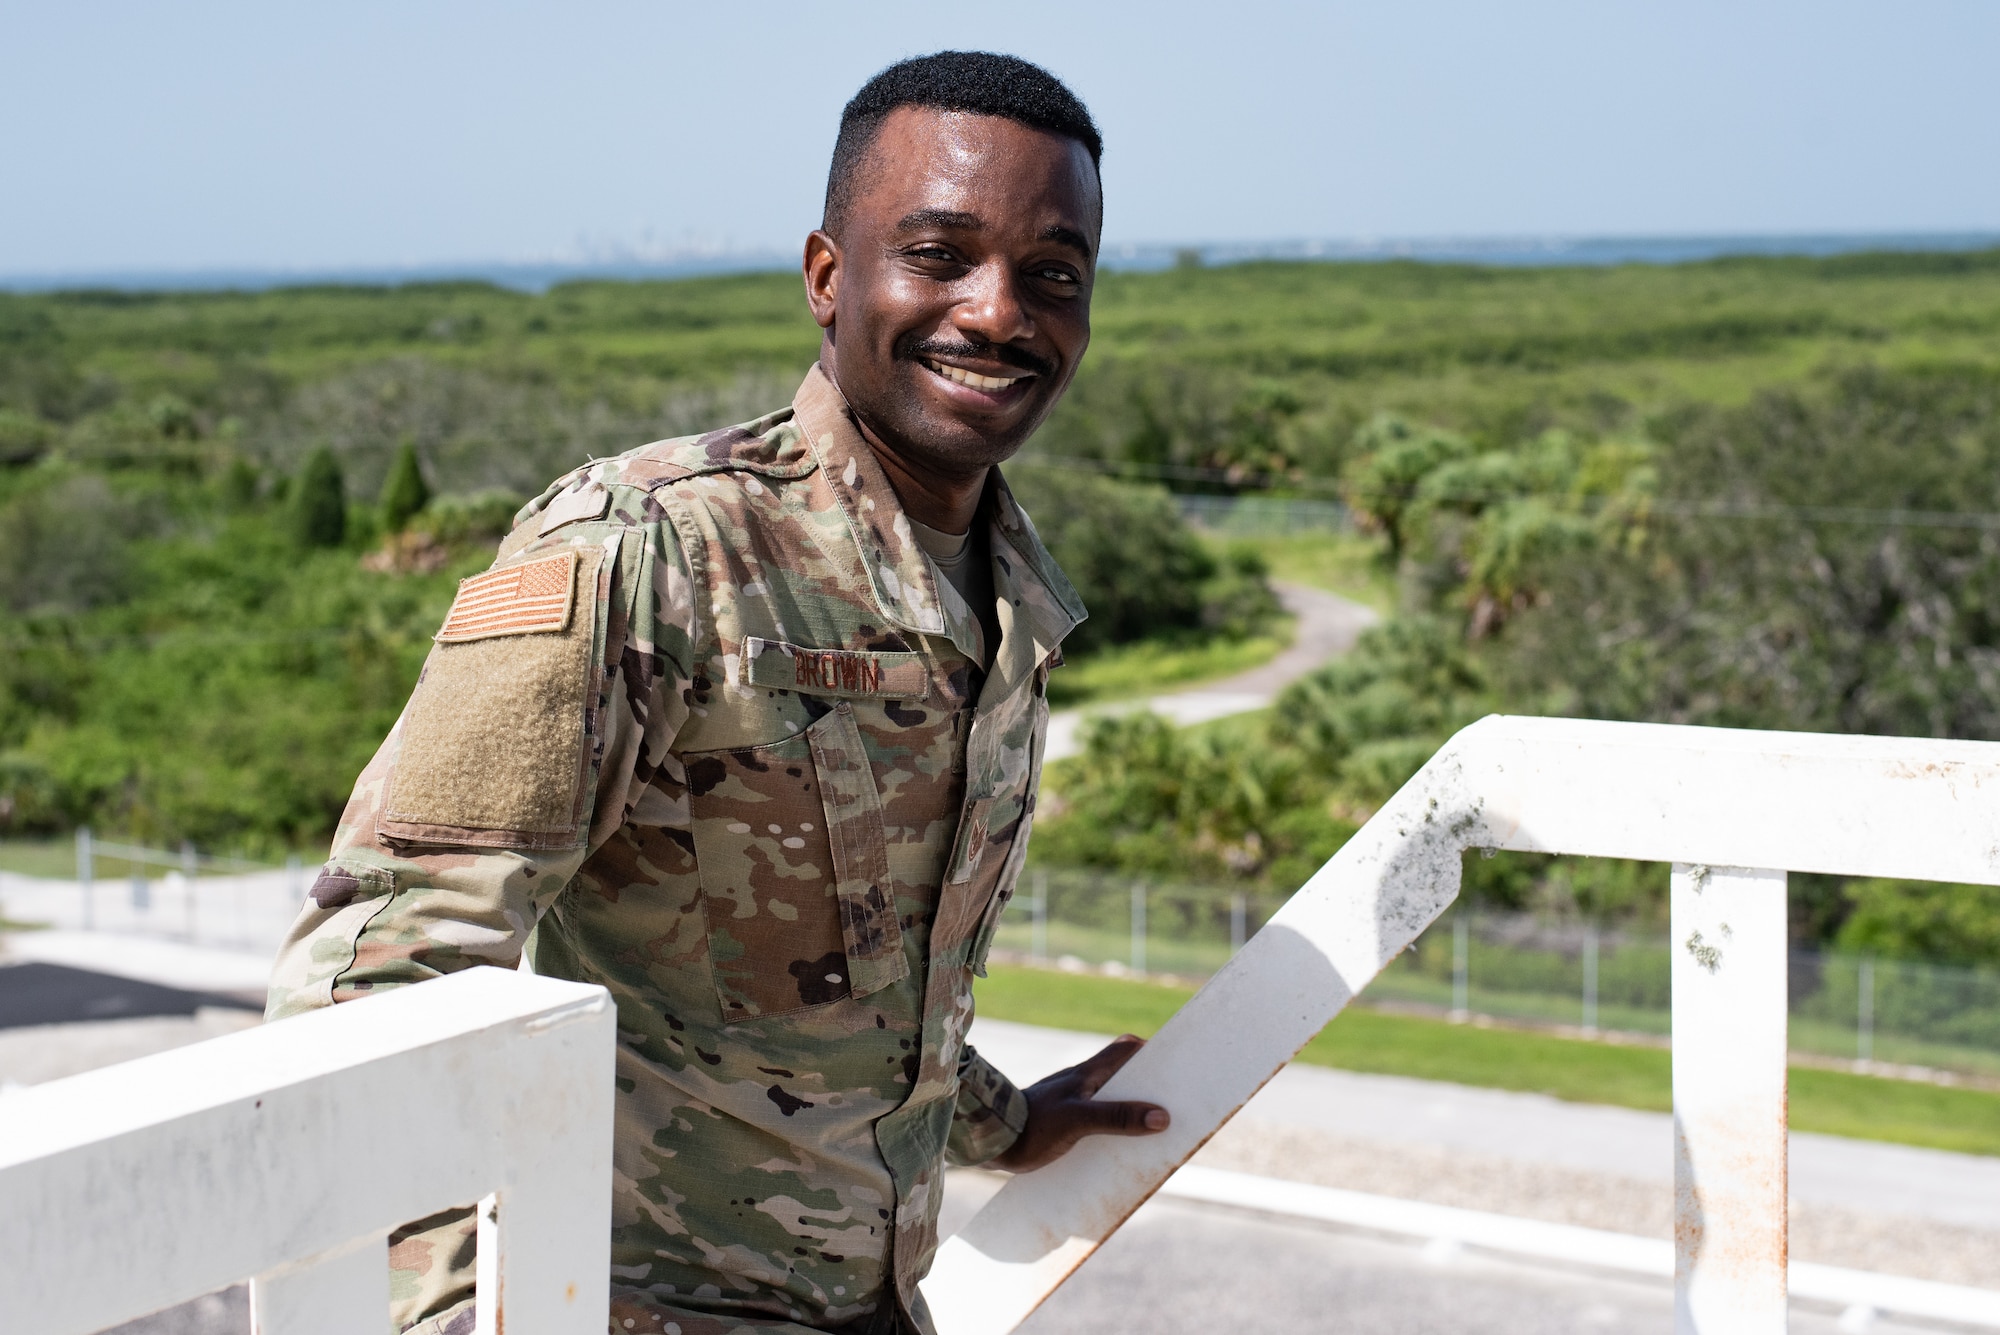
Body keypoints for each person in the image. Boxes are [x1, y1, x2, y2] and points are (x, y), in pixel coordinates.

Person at [266, 50, 1170, 1335]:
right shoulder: (645, 549)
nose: (997, 312)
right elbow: (377, 972)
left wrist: (1003, 1123)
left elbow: (858, 993)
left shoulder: (1009, 594)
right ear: (825, 276)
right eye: (937, 254)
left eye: (1052, 275)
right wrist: (454, 1315)